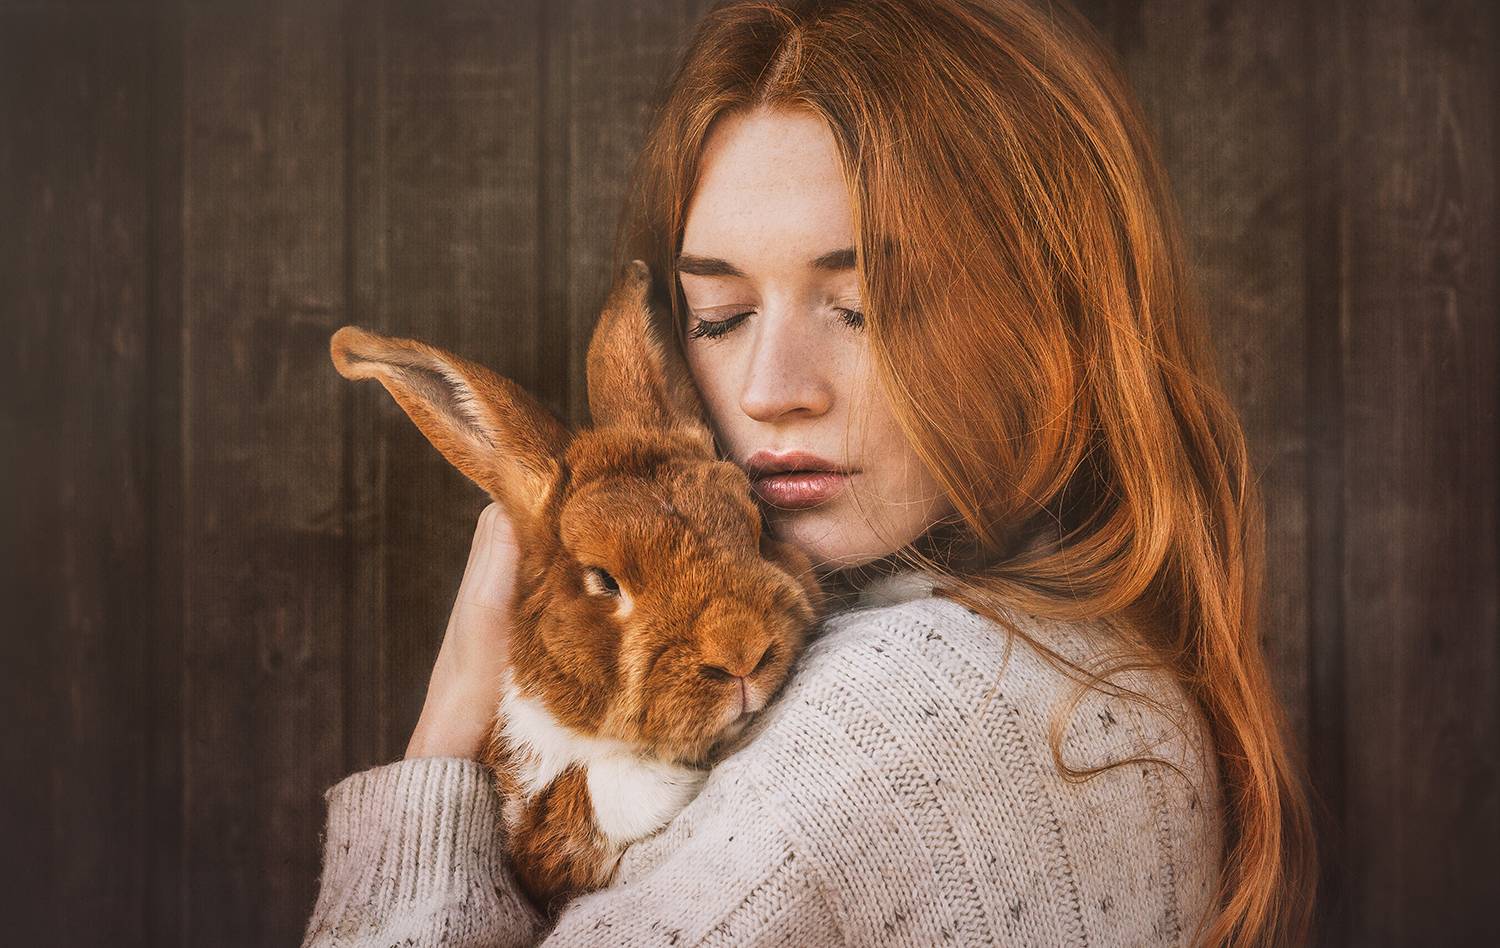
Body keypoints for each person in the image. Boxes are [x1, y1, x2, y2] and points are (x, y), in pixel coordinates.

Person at [301, 0, 1317, 945]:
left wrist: (444, 741)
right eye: (719, 319)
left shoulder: (888, 721)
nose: (772, 390)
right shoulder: (1102, 657)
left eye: (866, 307)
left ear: (1051, 323)